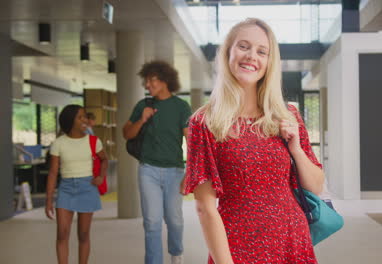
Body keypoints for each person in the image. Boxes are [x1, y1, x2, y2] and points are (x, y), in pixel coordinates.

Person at [183, 18, 324, 264]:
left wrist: (296, 150)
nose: (251, 56)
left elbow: (316, 187)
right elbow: (205, 207)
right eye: (243, 46)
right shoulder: (205, 122)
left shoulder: (287, 115)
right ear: (228, 52)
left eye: (262, 51)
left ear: (270, 62)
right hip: (237, 246)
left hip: (292, 241)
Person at [123, 60, 191, 264]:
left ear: (165, 80)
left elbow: (191, 141)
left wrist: (190, 174)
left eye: (151, 80)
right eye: (146, 81)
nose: (147, 85)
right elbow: (127, 134)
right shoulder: (143, 105)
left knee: (175, 220)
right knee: (152, 222)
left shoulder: (181, 107)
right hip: (148, 170)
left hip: (175, 171)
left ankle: (176, 253)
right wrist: (141, 120)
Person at [45, 104, 108, 264]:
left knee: (83, 234)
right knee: (62, 234)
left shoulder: (93, 141)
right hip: (65, 189)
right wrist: (49, 200)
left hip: (88, 188)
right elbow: (53, 173)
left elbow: (104, 159)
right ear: (70, 121)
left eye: (85, 116)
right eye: (81, 117)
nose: (85, 120)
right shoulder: (59, 143)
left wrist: (101, 176)